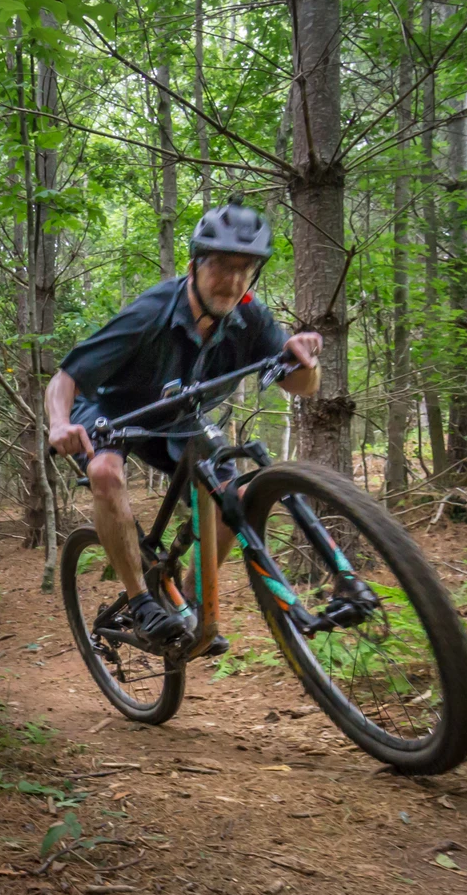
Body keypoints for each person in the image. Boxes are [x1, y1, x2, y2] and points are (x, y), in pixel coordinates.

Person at [44, 201, 323, 646]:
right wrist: (59, 423)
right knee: (103, 472)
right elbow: (66, 378)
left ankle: (192, 607)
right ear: (194, 264)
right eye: (221, 266)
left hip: (178, 418)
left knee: (238, 498)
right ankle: (141, 604)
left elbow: (302, 386)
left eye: (244, 268)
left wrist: (304, 359)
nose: (232, 281)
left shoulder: (250, 315)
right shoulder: (151, 312)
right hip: (114, 411)